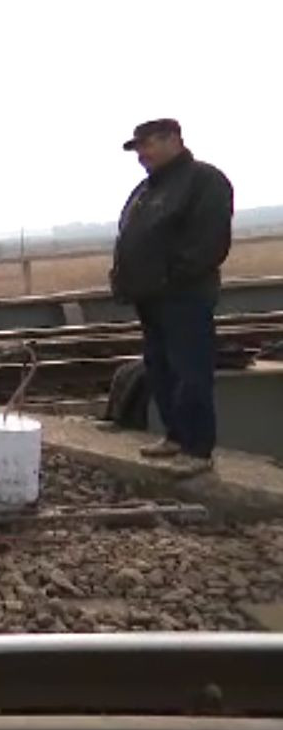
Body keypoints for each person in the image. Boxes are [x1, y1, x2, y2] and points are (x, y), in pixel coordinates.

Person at [110, 118, 233, 478]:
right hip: (150, 297)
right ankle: (175, 437)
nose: (142, 155)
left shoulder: (203, 181)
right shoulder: (146, 190)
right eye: (138, 149)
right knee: (160, 369)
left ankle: (197, 449)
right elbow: (132, 238)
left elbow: (209, 242)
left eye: (147, 145)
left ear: (173, 140)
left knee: (190, 370)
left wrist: (171, 277)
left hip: (185, 296)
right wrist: (125, 279)